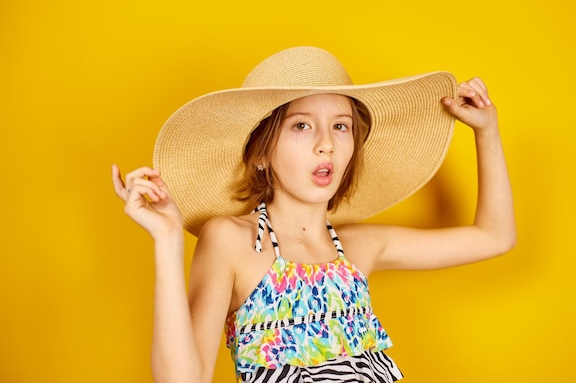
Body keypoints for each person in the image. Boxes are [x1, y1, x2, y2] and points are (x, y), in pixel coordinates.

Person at [112, 46, 516, 383]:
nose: (326, 145)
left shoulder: (359, 247)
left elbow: (495, 237)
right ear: (259, 154)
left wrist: (487, 131)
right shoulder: (231, 241)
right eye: (301, 126)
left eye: (340, 127)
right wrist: (166, 240)